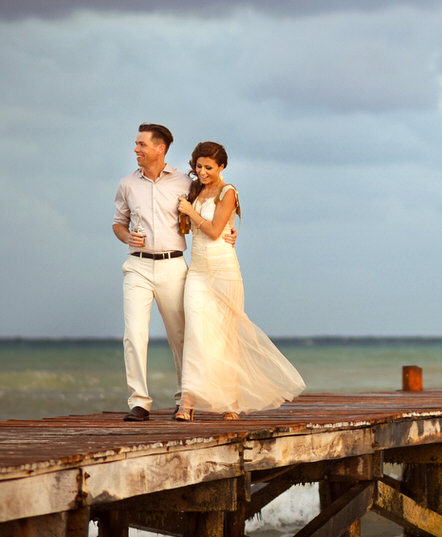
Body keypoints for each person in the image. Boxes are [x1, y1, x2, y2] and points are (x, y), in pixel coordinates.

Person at [111, 123, 236, 422]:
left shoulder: (185, 183)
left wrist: (230, 231)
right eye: (136, 144)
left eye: (141, 144)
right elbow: (118, 223)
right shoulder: (127, 184)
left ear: (160, 148)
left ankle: (185, 398)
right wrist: (127, 237)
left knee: (181, 336)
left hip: (173, 265)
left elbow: (211, 210)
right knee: (134, 335)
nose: (135, 149)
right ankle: (139, 402)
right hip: (137, 266)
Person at [174, 141, 305, 421]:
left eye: (209, 167)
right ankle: (187, 402)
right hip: (197, 271)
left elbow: (213, 230)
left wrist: (190, 212)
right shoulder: (195, 189)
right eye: (199, 166)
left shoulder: (228, 192)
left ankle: (231, 402)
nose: (202, 171)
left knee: (226, 336)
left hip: (223, 269)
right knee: (196, 334)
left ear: (221, 167)